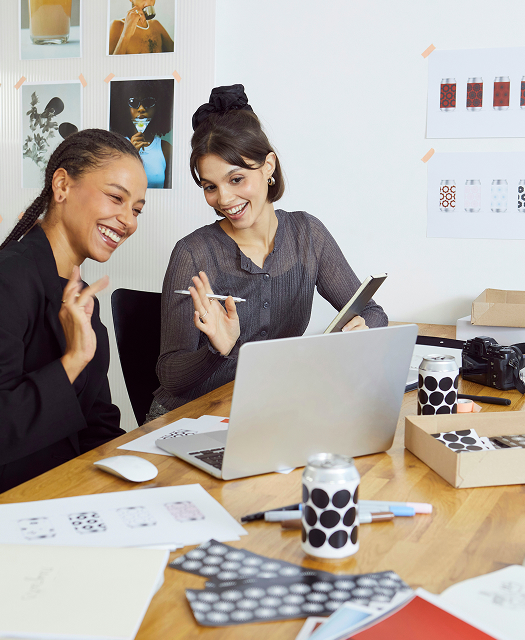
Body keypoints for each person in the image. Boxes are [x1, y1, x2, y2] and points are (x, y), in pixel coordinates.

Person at [0, 129, 147, 527]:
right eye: (117, 198)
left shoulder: (81, 296)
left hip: (53, 496)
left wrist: (136, 486)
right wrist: (73, 361)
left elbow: (97, 423)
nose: (129, 220)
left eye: (137, 209)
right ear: (62, 185)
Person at [150, 84, 388, 418]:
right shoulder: (193, 253)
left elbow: (373, 312)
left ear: (268, 166)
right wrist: (217, 351)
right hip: (188, 419)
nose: (224, 199)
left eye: (236, 179)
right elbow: (171, 376)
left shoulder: (307, 235)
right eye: (210, 187)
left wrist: (362, 332)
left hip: (263, 411)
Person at [109, 79, 173, 188]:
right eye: (134, 102)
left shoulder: (165, 148)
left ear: (158, 108)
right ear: (124, 108)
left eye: (148, 102)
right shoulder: (115, 147)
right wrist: (130, 154)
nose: (141, 109)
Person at [109, 0, 174, 55]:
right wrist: (125, 35)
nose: (148, 3)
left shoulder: (156, 26)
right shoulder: (117, 25)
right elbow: (109, 66)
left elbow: (179, 56)